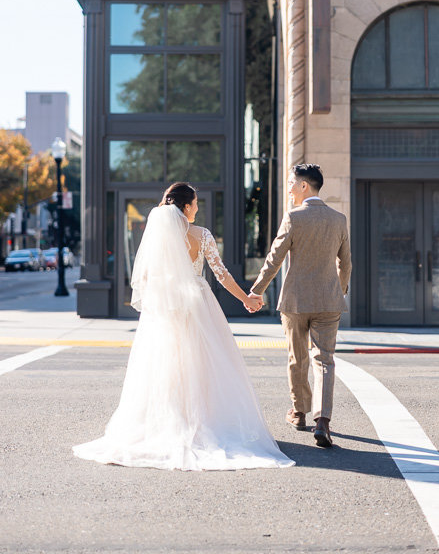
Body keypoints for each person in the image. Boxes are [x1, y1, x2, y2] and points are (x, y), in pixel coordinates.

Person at [73, 182, 294, 472]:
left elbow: (148, 277)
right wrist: (246, 299)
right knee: (203, 363)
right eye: (196, 203)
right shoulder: (201, 235)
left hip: (166, 309)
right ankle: (202, 422)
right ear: (187, 206)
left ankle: (170, 422)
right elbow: (221, 274)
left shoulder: (157, 237)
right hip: (198, 304)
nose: (198, 207)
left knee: (166, 365)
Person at [248, 164, 351, 448]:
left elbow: (274, 259)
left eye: (292, 183)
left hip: (295, 301)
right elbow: (346, 263)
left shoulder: (293, 217)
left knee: (298, 358)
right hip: (329, 301)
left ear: (304, 186)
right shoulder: (339, 219)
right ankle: (323, 421)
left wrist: (256, 292)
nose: (289, 189)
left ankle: (300, 413)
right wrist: (339, 290)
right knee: (325, 360)